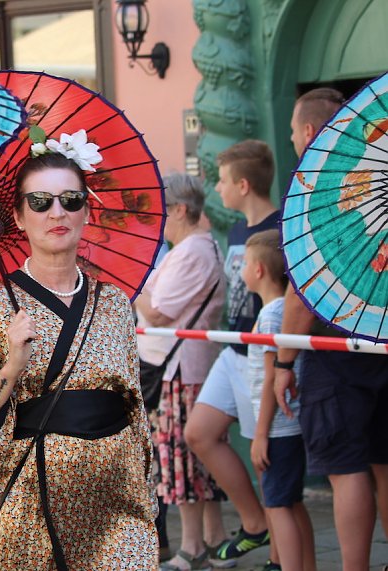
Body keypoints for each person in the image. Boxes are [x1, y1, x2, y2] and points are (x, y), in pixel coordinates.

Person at [0, 137, 157, 569]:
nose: (57, 213)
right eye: (40, 201)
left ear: (87, 211)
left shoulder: (113, 303)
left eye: (71, 199)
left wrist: (147, 488)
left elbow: (135, 407)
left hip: (118, 505)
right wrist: (13, 366)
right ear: (17, 216)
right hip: (34, 502)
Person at [274, 87, 388, 571]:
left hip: (335, 352)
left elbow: (304, 288)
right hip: (382, 340)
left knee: (346, 471)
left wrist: (283, 360)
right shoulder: (378, 172)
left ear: (307, 131)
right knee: (385, 463)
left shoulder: (321, 187)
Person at [184, 139, 280, 566]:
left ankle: (280, 552)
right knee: (198, 432)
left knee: (268, 458)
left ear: (243, 184)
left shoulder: (280, 227)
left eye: (222, 181)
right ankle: (254, 524)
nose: (216, 189)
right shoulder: (237, 230)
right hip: (233, 347)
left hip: (263, 354)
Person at [134, 172, 227, 570]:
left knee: (181, 462)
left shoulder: (192, 251)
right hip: (180, 366)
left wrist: (133, 283)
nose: (160, 219)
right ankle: (212, 538)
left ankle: (193, 547)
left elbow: (157, 310)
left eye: (163, 210)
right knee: (188, 461)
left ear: (179, 210)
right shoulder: (193, 248)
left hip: (179, 369)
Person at [243, 229, 316, 571]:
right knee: (292, 502)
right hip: (287, 426)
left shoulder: (271, 316)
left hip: (277, 428)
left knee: (277, 506)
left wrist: (260, 435)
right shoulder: (274, 312)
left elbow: (272, 378)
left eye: (244, 263)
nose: (241, 269)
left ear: (258, 270)